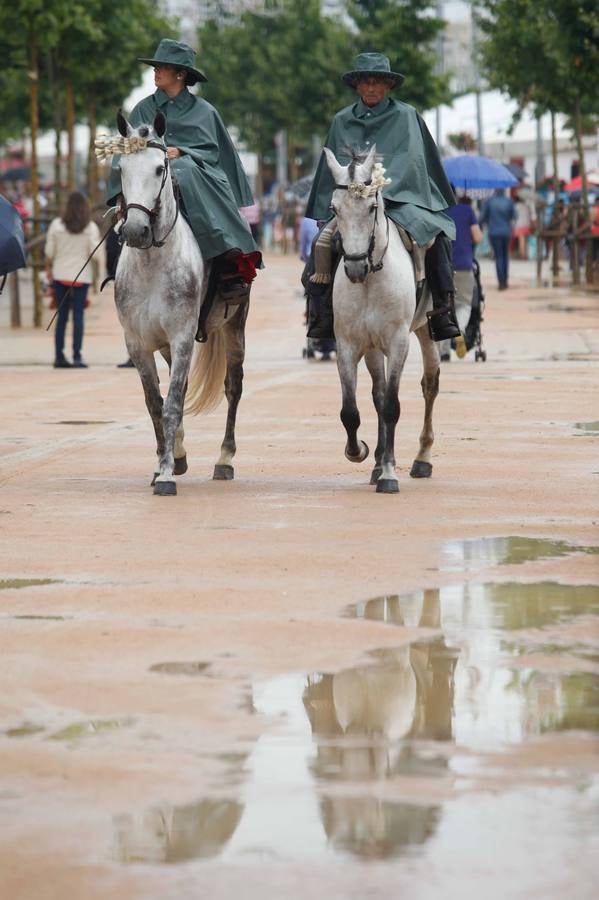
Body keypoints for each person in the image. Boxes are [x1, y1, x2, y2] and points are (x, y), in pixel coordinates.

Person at [304, 51, 460, 343]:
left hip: (401, 200)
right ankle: (321, 315)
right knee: (320, 243)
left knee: (436, 236)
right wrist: (350, 194)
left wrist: (379, 185)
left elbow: (411, 161)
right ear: (357, 86)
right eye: (365, 82)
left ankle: (442, 310)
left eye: (378, 82)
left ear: (388, 86)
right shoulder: (341, 121)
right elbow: (335, 165)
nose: (372, 88)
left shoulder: (407, 116)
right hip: (354, 203)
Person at [107, 39, 261, 324]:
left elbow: (214, 151)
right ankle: (116, 267)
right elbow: (127, 149)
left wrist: (184, 151)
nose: (155, 72)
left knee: (185, 172)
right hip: (149, 179)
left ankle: (226, 260)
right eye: (155, 67)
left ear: (180, 74)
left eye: (161, 67)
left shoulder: (205, 112)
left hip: (196, 172)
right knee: (127, 208)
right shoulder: (142, 108)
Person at [44, 191, 100, 368]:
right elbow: (96, 253)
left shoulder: (56, 225)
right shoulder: (90, 227)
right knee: (78, 317)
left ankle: (59, 356)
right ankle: (77, 356)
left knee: (61, 318)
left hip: (60, 276)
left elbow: (49, 252)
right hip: (81, 277)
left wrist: (49, 270)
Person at [441, 193, 482, 361]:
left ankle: (443, 352)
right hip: (464, 265)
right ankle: (459, 330)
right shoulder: (468, 211)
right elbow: (477, 237)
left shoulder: (443, 211)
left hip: (443, 265)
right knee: (464, 303)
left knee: (443, 307)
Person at [479, 189, 516, 290]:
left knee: (498, 256)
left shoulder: (490, 201)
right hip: (506, 232)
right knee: (505, 256)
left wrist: (485, 224)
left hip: (494, 232)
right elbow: (514, 216)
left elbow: (482, 218)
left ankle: (501, 282)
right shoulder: (509, 201)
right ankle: (505, 280)